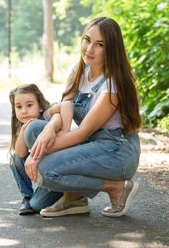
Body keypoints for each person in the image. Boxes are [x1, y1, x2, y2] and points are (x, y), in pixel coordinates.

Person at [23, 17, 142, 217]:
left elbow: (82, 133)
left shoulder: (114, 83)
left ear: (111, 49)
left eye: (100, 45)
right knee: (34, 129)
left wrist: (35, 156)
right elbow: (63, 108)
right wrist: (50, 129)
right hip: (91, 143)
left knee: (44, 171)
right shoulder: (80, 71)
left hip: (117, 151)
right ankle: (75, 197)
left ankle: (116, 187)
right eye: (87, 40)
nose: (89, 49)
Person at [8, 83, 73, 215]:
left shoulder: (47, 116)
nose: (24, 111)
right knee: (14, 159)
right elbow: (20, 154)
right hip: (46, 174)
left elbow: (66, 105)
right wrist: (24, 129)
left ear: (41, 106)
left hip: (59, 173)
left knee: (37, 206)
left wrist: (63, 131)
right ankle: (27, 197)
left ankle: (70, 194)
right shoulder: (23, 126)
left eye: (29, 105)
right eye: (19, 107)